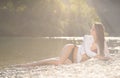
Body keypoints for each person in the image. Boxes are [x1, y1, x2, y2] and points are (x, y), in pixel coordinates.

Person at [17, 22, 111, 67]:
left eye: (93, 29)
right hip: (71, 49)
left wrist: (97, 57)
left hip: (73, 61)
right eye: (91, 28)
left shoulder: (102, 44)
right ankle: (30, 65)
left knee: (54, 61)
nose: (91, 30)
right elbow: (85, 53)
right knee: (59, 62)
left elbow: (107, 57)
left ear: (98, 31)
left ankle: (30, 65)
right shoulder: (87, 38)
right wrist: (96, 57)